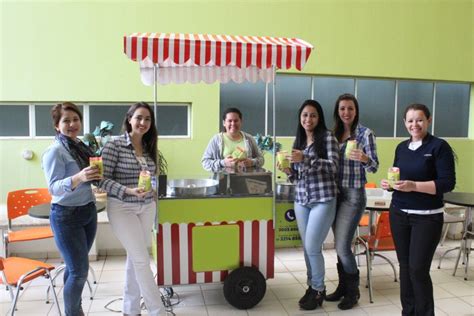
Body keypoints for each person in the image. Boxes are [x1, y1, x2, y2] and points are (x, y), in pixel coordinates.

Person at [380, 103, 455, 316]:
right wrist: (389, 184)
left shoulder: (439, 147)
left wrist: (414, 186)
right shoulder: (401, 148)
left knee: (418, 270)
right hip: (399, 214)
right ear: (404, 123)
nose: (415, 124)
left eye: (419, 119)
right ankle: (408, 312)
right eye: (410, 120)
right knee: (405, 268)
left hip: (427, 217)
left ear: (429, 120)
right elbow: (398, 175)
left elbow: (446, 183)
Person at [100, 102, 161, 316]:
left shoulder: (148, 147)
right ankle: (157, 311)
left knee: (135, 258)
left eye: (147, 119)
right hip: (122, 207)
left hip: (146, 208)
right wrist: (126, 190)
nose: (143, 123)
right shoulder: (114, 145)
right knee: (142, 260)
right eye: (139, 117)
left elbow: (151, 176)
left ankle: (130, 309)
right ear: (129, 119)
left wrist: (152, 190)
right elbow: (100, 179)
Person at [42, 102, 102, 316]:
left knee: (74, 267)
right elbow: (53, 188)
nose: (72, 124)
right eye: (66, 121)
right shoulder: (55, 151)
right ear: (57, 126)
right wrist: (79, 177)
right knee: (79, 272)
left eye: (75, 119)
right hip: (66, 216)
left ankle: (72, 309)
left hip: (87, 211)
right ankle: (74, 313)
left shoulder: (81, 146)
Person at [279, 99, 339, 310]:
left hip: (323, 199)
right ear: (300, 117)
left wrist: (306, 158)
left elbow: (333, 167)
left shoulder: (328, 137)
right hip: (302, 200)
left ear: (319, 117)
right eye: (305, 115)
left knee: (313, 247)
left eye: (313, 115)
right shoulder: (299, 142)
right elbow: (298, 178)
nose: (308, 119)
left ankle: (319, 288)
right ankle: (311, 286)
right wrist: (289, 171)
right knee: (307, 248)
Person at [326, 93, 379, 310]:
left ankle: (353, 291)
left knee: (342, 246)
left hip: (354, 195)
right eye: (342, 109)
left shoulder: (366, 133)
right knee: (341, 246)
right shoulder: (333, 135)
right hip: (334, 194)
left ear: (356, 111)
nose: (346, 112)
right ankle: (342, 288)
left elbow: (374, 166)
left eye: (350, 108)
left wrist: (364, 158)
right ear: (337, 112)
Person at [201, 107, 264, 172]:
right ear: (224, 123)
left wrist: (252, 162)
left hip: (245, 180)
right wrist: (223, 163)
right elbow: (205, 162)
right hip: (222, 180)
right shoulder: (216, 140)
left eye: (236, 120)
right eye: (230, 121)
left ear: (241, 122)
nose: (233, 124)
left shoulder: (249, 139)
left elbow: (261, 159)